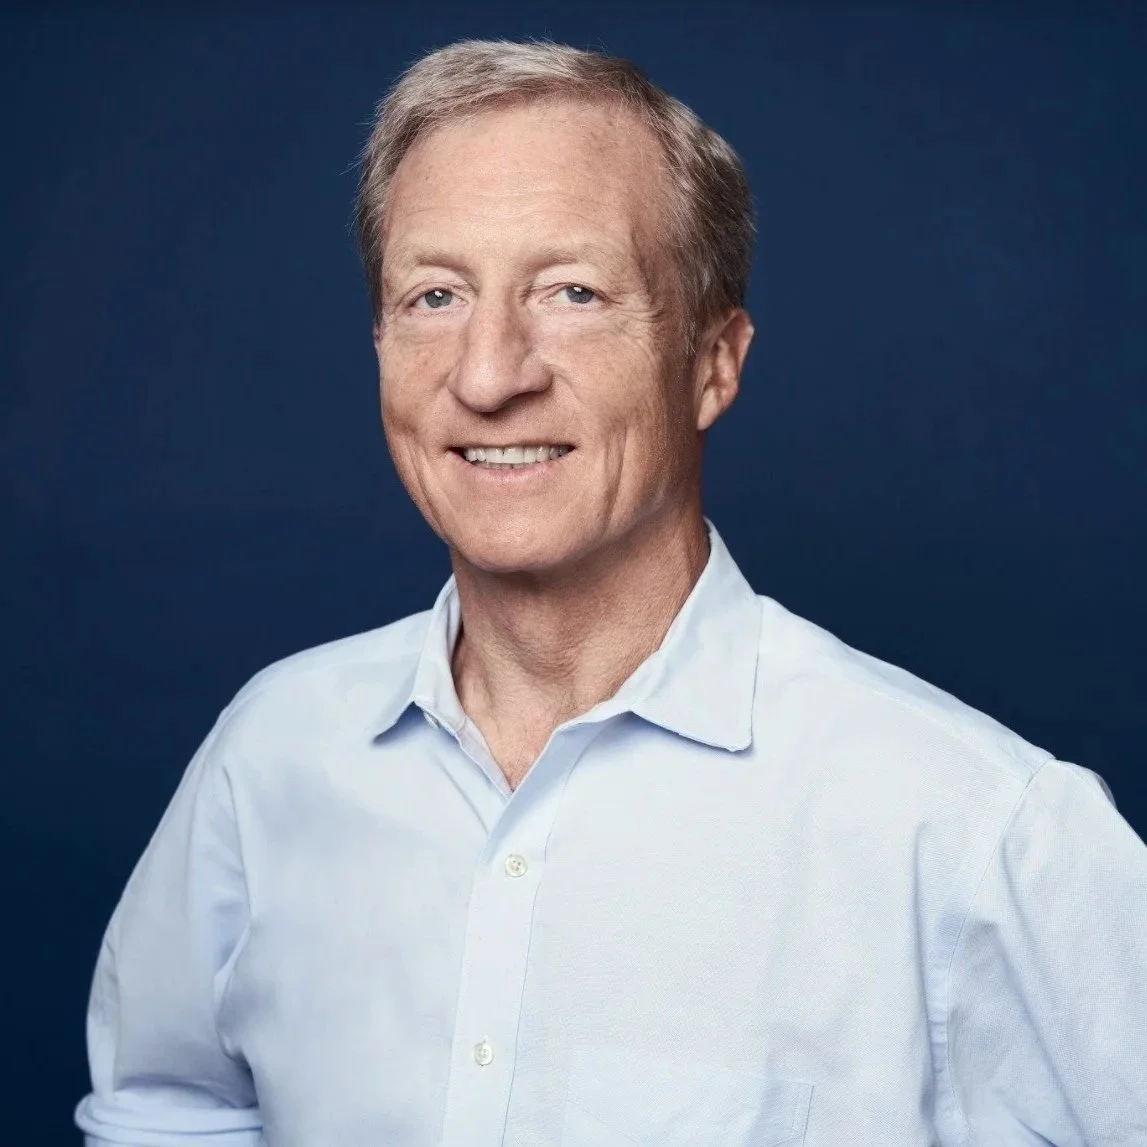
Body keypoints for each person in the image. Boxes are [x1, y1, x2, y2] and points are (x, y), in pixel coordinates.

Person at [75, 39, 1147, 1147]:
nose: (490, 374)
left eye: (573, 292)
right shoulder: (271, 758)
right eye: (435, 295)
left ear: (711, 364)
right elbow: (168, 1108)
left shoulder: (975, 828)